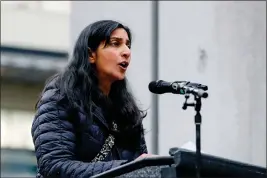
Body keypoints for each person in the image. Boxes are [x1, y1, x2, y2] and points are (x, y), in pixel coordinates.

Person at [31, 20, 151, 178]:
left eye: (128, 45)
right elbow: (54, 166)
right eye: (115, 44)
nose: (126, 52)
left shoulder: (126, 109)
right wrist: (127, 168)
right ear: (91, 55)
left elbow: (141, 168)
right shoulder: (60, 98)